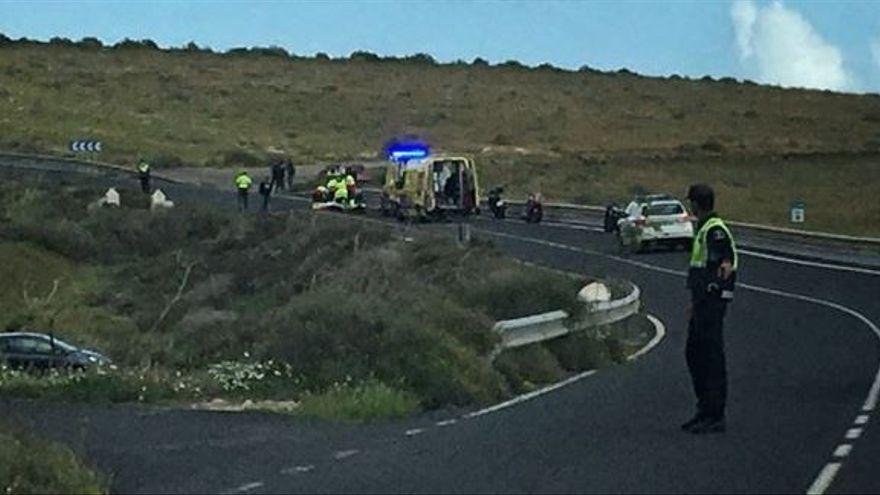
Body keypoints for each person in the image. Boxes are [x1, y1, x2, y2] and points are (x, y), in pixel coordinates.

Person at [681, 183, 738, 435]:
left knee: (710, 357)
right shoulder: (705, 229)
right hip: (702, 303)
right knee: (695, 354)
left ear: (696, 204)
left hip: (711, 305)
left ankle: (714, 414)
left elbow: (722, 268)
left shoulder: (715, 231)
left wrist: (709, 300)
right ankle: (704, 409)